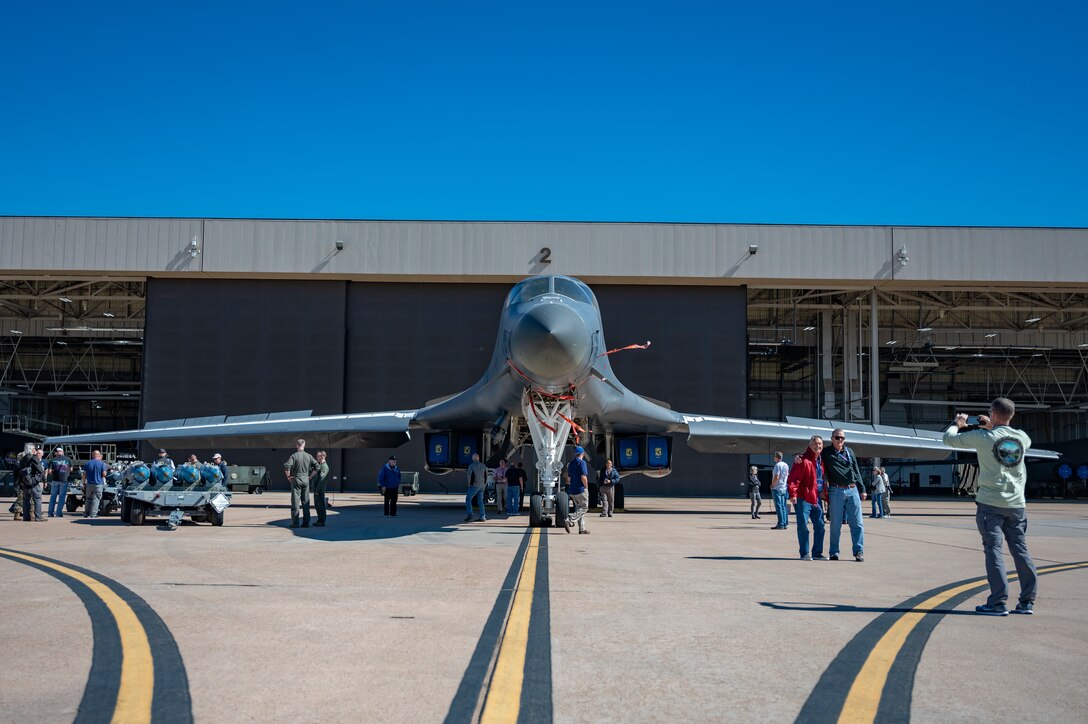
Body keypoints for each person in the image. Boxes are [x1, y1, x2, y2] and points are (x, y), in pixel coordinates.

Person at [944, 398, 1038, 616]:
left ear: (993, 414)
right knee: (1020, 550)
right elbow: (1006, 437)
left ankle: (997, 602)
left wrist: (957, 424)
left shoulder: (982, 437)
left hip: (991, 504)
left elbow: (948, 440)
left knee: (994, 550)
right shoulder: (1022, 438)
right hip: (1017, 505)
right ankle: (1027, 602)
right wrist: (993, 426)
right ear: (1011, 415)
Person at [822, 428, 867, 562]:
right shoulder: (826, 452)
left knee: (857, 523)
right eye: (837, 437)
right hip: (836, 491)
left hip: (852, 490)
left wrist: (862, 488)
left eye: (842, 438)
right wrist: (798, 456)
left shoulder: (849, 452)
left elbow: (856, 470)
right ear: (831, 439)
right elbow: (812, 455)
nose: (840, 440)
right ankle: (834, 552)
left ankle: (858, 551)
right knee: (835, 524)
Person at [788, 437, 826, 560]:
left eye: (819, 444)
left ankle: (817, 553)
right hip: (803, 498)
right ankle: (804, 553)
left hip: (816, 498)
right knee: (803, 526)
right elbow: (794, 478)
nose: (817, 446)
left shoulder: (821, 461)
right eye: (815, 444)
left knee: (820, 525)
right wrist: (793, 494)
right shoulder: (802, 460)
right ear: (810, 445)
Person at [283, 439, 318, 528]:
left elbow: (287, 466)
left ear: (297, 445)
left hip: (296, 479)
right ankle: (306, 523)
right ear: (304, 445)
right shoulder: (309, 456)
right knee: (305, 502)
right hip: (305, 479)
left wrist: (288, 477)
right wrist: (310, 476)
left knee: (295, 502)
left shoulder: (294, 456)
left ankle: (295, 523)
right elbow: (317, 467)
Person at [565, 446, 590, 534]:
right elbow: (583, 476)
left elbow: (568, 478)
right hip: (581, 489)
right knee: (584, 507)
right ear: (582, 453)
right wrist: (586, 487)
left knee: (579, 508)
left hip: (573, 489)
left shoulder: (571, 464)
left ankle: (582, 529)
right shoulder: (582, 463)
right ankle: (569, 520)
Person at [18, 447, 46, 522]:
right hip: (33, 482)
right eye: (35, 450)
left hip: (25, 481)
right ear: (33, 451)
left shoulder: (23, 459)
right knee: (37, 499)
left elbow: (19, 470)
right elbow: (40, 469)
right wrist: (44, 480)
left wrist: (21, 482)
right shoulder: (34, 458)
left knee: (26, 500)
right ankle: (38, 517)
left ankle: (26, 517)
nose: (36, 452)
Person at [47, 446, 73, 518]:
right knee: (61, 497)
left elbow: (49, 471)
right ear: (63, 452)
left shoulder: (53, 460)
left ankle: (50, 513)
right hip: (64, 480)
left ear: (56, 453)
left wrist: (54, 473)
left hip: (55, 480)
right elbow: (71, 469)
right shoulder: (68, 459)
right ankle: (58, 513)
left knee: (53, 497)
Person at [82, 449, 107, 519]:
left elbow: (84, 474)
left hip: (89, 483)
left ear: (92, 455)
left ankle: (86, 513)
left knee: (88, 498)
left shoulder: (87, 463)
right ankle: (93, 514)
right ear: (98, 455)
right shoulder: (102, 464)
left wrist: (83, 483)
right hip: (98, 484)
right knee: (96, 499)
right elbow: (104, 474)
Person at [464, 453, 488, 522]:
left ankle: (470, 514)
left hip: (474, 485)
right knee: (480, 501)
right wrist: (484, 485)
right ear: (479, 458)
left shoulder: (471, 466)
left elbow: (469, 476)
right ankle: (482, 516)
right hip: (482, 485)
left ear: (473, 459)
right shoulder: (484, 466)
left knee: (468, 498)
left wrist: (469, 484)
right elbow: (486, 476)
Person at [770, 451, 790, 530]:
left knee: (778, 507)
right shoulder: (786, 465)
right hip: (784, 487)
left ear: (776, 457)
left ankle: (780, 524)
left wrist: (772, 484)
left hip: (777, 488)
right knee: (783, 506)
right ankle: (785, 523)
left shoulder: (777, 465)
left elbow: (777, 476)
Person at [312, 451, 330, 525]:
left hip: (319, 490)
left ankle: (321, 521)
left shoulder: (324, 467)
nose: (316, 457)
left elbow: (322, 479)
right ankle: (319, 520)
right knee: (317, 506)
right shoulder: (320, 465)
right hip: (317, 490)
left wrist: (317, 490)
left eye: (318, 456)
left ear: (322, 457)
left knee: (320, 506)